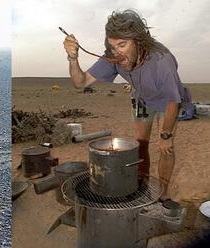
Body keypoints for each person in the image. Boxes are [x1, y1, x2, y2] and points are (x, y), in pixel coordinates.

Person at [62, 10, 188, 200]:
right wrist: (73, 58)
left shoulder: (161, 61)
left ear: (138, 41)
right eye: (113, 46)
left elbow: (173, 100)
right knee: (141, 144)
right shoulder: (115, 58)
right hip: (142, 98)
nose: (117, 53)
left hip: (167, 99)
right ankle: (144, 185)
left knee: (165, 147)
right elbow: (80, 82)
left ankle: (163, 193)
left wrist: (166, 135)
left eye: (122, 44)